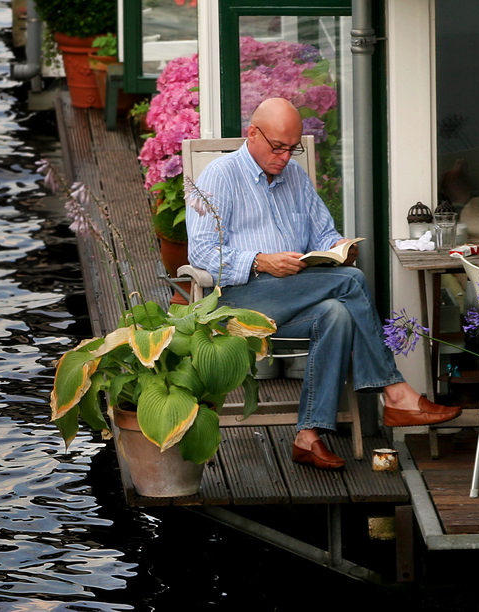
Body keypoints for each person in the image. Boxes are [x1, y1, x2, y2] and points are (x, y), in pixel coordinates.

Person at [184, 97, 461, 470]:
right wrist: (260, 261)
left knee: (336, 313)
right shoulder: (220, 175)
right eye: (278, 147)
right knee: (350, 283)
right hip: (238, 300)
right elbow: (202, 253)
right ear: (253, 134)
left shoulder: (294, 176)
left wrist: (338, 250)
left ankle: (308, 436)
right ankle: (395, 392)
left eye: (292, 148)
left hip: (294, 296)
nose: (285, 158)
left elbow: (323, 234)